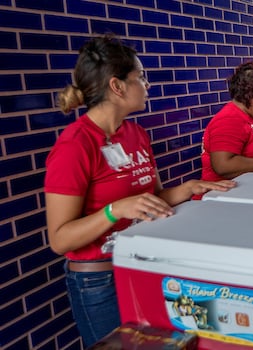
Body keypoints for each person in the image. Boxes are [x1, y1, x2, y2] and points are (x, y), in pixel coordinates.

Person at [44, 35, 235, 347]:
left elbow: (150, 201)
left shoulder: (136, 133)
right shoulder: (75, 145)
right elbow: (60, 238)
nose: (148, 85)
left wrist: (190, 188)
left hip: (144, 264)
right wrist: (114, 210)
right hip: (99, 281)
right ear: (117, 86)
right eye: (141, 77)